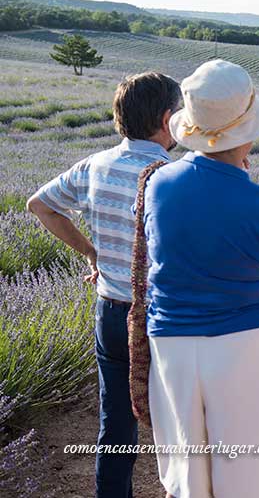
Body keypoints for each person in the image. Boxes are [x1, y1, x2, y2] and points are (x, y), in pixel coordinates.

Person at [140, 60, 259, 498]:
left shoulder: (157, 184)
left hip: (172, 339)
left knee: (189, 473)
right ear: (247, 130)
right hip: (249, 342)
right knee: (254, 472)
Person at [26, 72, 181, 498]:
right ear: (168, 119)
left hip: (110, 312)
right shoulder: (174, 175)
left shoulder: (95, 165)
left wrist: (91, 252)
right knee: (182, 422)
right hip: (164, 317)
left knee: (115, 423)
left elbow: (39, 205)